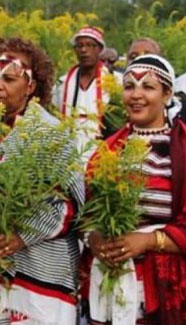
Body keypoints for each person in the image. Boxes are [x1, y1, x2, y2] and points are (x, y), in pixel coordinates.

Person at [0, 38, 84, 324]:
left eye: (8, 79)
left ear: (31, 86)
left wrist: (21, 237)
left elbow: (67, 205)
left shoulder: (50, 132)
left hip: (40, 268)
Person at [82, 54, 186, 324]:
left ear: (167, 95)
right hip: (112, 279)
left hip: (168, 287)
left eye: (148, 87)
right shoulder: (108, 150)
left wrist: (149, 241)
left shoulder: (183, 149)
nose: (136, 95)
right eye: (129, 86)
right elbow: (86, 213)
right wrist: (95, 239)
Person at [53, 26, 122, 165]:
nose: (84, 50)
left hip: (102, 153)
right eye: (79, 46)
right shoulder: (62, 83)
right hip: (69, 154)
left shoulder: (116, 81)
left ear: (100, 49)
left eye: (90, 45)